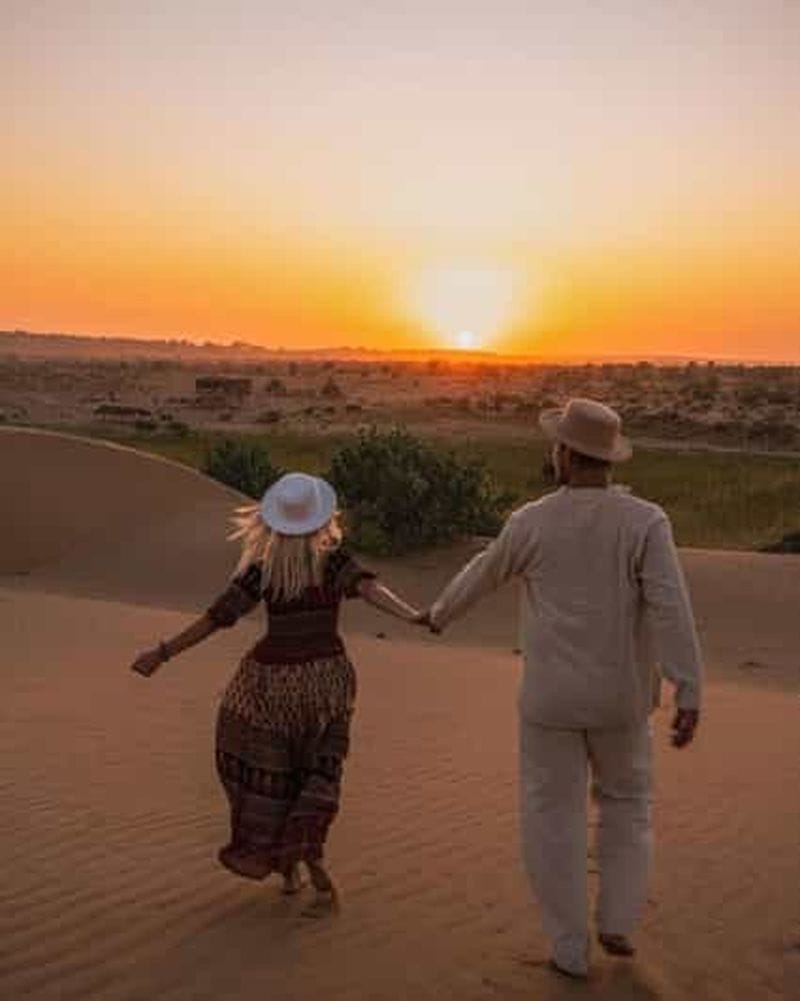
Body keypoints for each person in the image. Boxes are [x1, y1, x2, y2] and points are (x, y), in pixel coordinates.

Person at [420, 398, 703, 978]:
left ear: (567, 456)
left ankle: (570, 948)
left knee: (552, 816)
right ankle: (618, 918)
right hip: (622, 699)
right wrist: (688, 688)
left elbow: (485, 570)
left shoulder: (532, 521)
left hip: (550, 700)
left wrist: (440, 614)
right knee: (627, 804)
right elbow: (671, 607)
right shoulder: (646, 522)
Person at [131, 472, 423, 916]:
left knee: (274, 774)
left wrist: (163, 653)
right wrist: (413, 615)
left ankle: (296, 871)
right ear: (322, 518)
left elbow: (215, 618)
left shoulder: (263, 569)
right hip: (327, 684)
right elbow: (370, 588)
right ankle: (307, 872)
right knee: (317, 775)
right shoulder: (332, 561)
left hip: (270, 686)